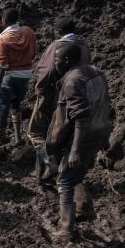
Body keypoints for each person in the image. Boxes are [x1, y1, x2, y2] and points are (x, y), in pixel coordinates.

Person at [45, 41, 112, 237]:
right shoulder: (95, 71)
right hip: (100, 129)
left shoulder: (72, 80)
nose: (55, 64)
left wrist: (74, 149)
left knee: (65, 179)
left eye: (56, 60)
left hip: (84, 135)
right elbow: (104, 102)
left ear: (66, 60)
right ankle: (85, 208)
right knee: (78, 173)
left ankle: (66, 228)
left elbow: (80, 117)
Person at [28, 16, 90, 181]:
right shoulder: (84, 47)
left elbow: (45, 71)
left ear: (59, 32)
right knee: (59, 134)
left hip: (54, 95)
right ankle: (45, 174)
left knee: (35, 131)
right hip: (78, 96)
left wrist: (40, 92)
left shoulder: (57, 46)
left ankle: (48, 163)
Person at [0, 7, 36, 153]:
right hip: (25, 75)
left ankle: (0, 138)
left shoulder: (3, 40)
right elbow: (33, 53)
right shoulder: (29, 32)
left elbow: (2, 67)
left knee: (2, 106)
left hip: (9, 77)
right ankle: (18, 137)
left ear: (4, 21)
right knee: (16, 104)